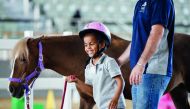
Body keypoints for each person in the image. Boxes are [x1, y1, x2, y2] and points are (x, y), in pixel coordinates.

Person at [117, 0, 175, 109]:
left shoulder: (161, 2)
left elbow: (156, 34)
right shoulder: (140, 2)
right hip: (140, 71)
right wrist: (119, 61)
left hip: (152, 69)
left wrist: (141, 64)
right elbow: (137, 40)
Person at [66, 21, 126, 109]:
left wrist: (115, 99)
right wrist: (76, 81)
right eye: (86, 45)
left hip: (115, 106)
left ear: (102, 44)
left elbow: (121, 82)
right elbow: (91, 90)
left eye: (91, 44)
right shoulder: (88, 67)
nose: (88, 48)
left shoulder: (109, 62)